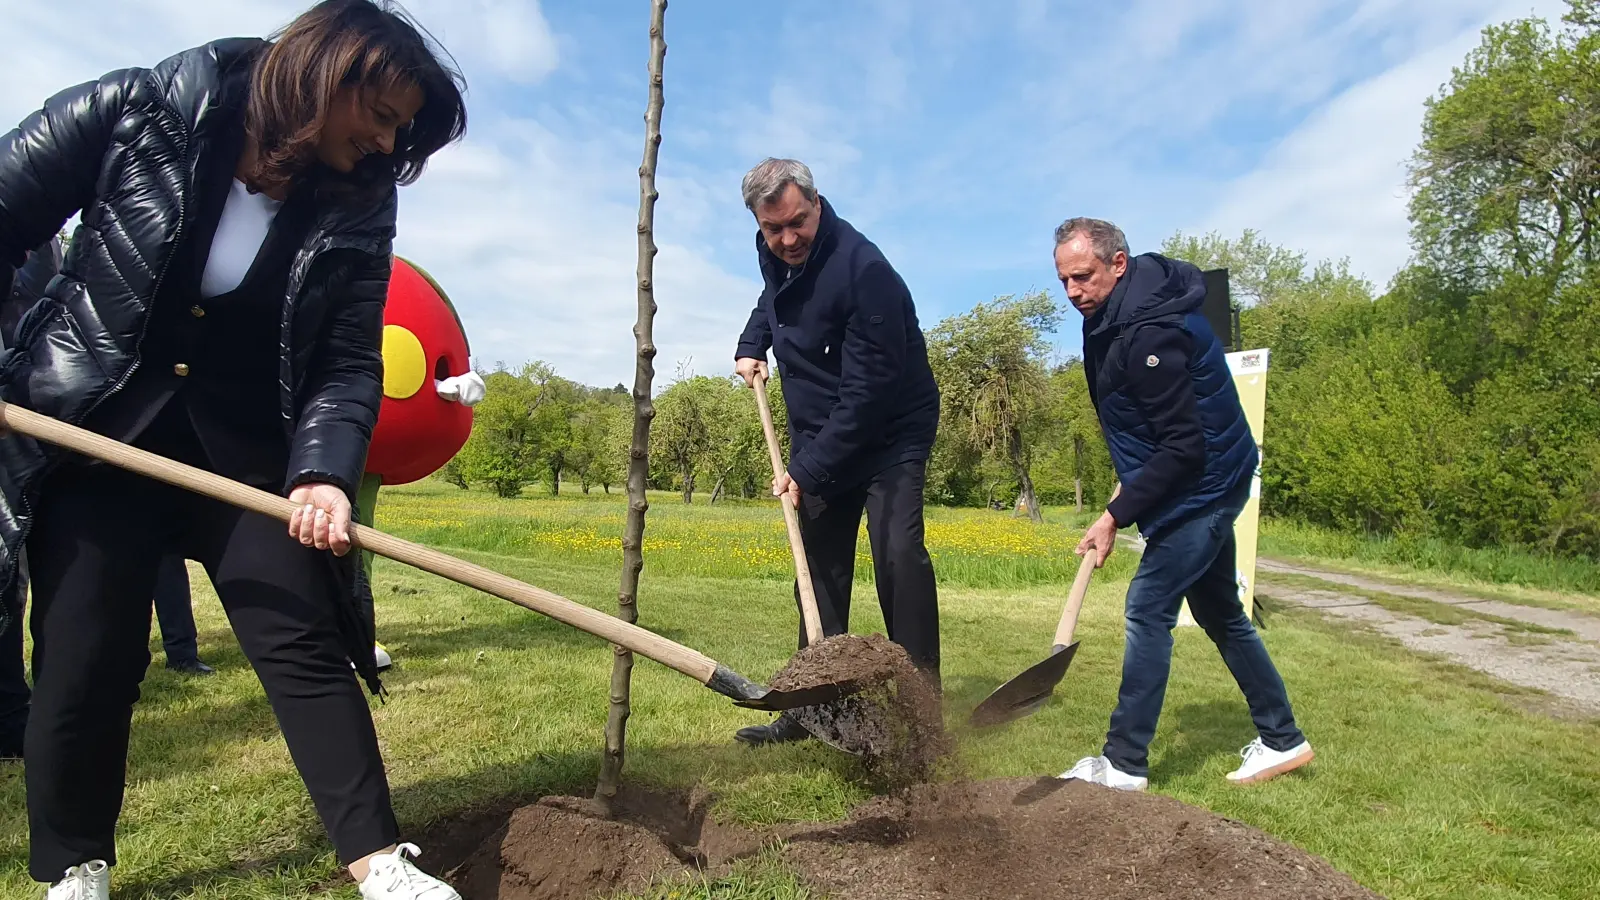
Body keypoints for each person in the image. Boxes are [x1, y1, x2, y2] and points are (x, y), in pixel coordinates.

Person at [0, 1, 469, 897]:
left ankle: (379, 862)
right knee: (85, 650)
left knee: (301, 630)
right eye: (380, 115)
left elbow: (345, 357)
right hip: (100, 432)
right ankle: (74, 867)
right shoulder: (147, 108)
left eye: (401, 130)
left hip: (246, 451)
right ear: (327, 71)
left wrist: (326, 471)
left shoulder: (361, 200)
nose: (385, 142)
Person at [1050, 217, 1313, 791]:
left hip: (1205, 486)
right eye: (1064, 280)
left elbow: (1184, 447)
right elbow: (1143, 426)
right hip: (1196, 477)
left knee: (1147, 610)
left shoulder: (1150, 331)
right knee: (1221, 613)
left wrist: (1114, 515)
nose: (1073, 292)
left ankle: (1123, 764)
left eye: (1083, 277)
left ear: (1118, 264)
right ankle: (1283, 739)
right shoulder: (1110, 314)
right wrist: (1128, 486)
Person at [730, 158, 942, 747]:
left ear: (818, 205)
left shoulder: (864, 270)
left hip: (889, 429)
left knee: (897, 552)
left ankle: (923, 714)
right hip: (822, 426)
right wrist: (753, 344)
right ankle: (810, 709)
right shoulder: (775, 250)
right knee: (818, 566)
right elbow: (772, 298)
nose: (788, 239)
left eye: (798, 222)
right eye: (774, 229)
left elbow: (869, 393)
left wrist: (807, 468)